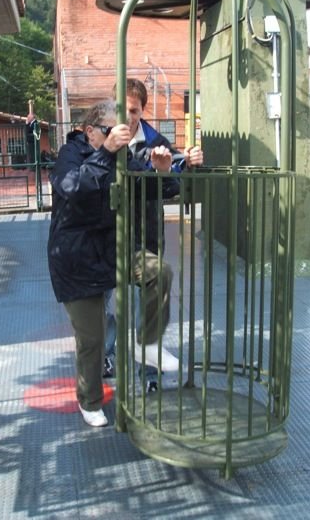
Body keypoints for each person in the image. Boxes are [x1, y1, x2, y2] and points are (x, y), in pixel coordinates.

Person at [47, 99, 181, 428]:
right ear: (90, 130)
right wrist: (106, 152)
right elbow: (72, 187)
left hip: (113, 247)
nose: (120, 137)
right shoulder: (71, 154)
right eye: (111, 131)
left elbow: (153, 190)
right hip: (76, 256)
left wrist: (165, 174)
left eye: (123, 131)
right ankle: (90, 399)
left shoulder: (122, 155)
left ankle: (145, 344)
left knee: (158, 271)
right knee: (91, 338)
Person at [108, 77, 204, 392]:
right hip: (106, 235)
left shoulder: (155, 140)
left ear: (142, 110)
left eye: (133, 110)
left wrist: (187, 164)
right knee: (100, 301)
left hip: (145, 233)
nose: (127, 116)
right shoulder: (101, 139)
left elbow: (175, 181)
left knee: (146, 302)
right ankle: (107, 354)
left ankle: (148, 372)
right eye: (121, 109)